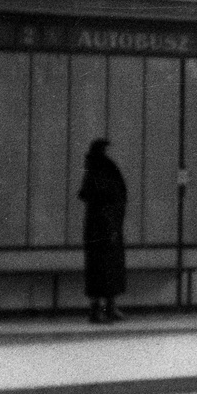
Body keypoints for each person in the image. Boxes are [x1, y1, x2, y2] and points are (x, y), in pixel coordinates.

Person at [79, 138, 128, 323]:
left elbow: (86, 193)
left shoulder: (93, 168)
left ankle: (100, 308)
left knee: (98, 270)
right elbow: (115, 196)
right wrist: (114, 222)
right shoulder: (106, 169)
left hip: (98, 226)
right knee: (108, 269)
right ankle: (106, 308)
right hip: (107, 225)